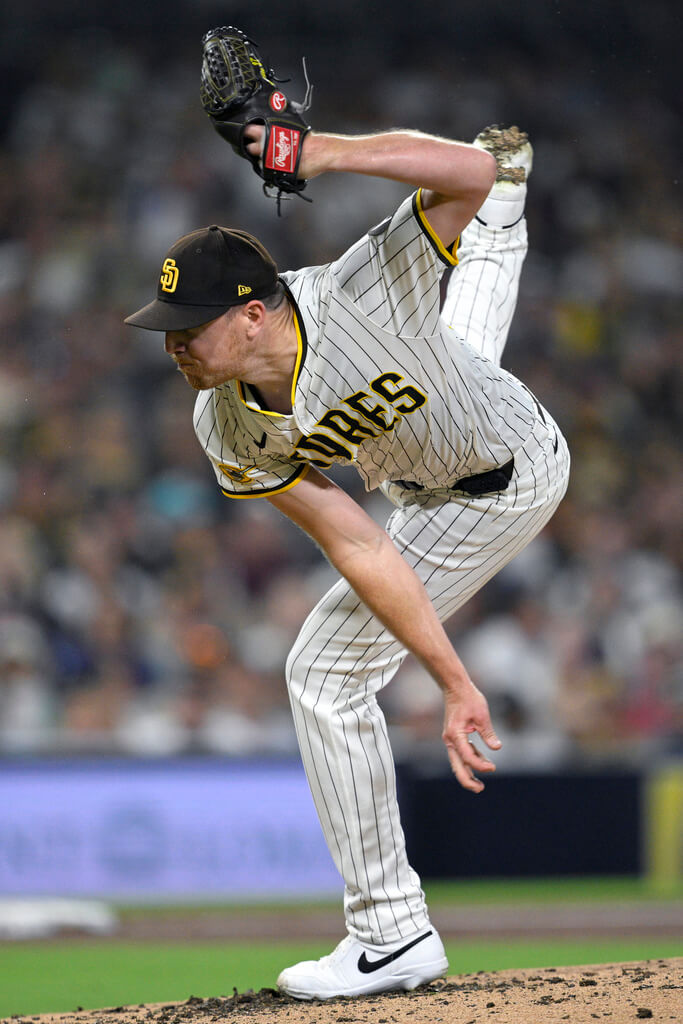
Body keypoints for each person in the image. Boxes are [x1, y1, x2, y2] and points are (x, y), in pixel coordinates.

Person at [125, 123, 570, 999]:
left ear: (254, 313)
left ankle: (389, 933)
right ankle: (507, 217)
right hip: (428, 461)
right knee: (452, 345)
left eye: (188, 327)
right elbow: (358, 541)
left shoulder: (355, 292)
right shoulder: (226, 425)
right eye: (165, 328)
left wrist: (315, 151)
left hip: (502, 479)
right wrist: (447, 673)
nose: (172, 344)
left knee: (322, 672)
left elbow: (463, 171)